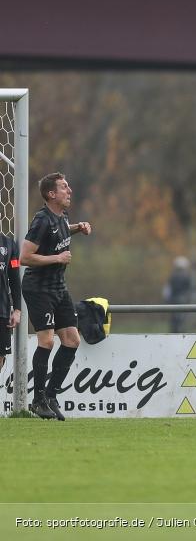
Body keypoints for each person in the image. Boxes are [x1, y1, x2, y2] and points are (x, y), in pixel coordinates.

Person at [22, 173, 92, 421]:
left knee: (72, 340)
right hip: (38, 288)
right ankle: (38, 400)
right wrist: (57, 258)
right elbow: (25, 256)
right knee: (48, 341)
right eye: (64, 187)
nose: (69, 190)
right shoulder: (41, 220)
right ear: (51, 194)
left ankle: (51, 396)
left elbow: (59, 232)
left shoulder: (61, 217)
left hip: (58, 287)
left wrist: (77, 228)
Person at [0, 232, 22, 373]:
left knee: (0, 358)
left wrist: (17, 310)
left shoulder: (8, 244)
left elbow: (14, 279)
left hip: (1, 310)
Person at [163, 256, 196, 333]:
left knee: (177, 320)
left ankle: (177, 332)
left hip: (176, 301)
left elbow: (167, 291)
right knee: (180, 320)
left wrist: (167, 299)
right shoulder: (187, 277)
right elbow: (192, 291)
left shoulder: (173, 277)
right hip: (182, 301)